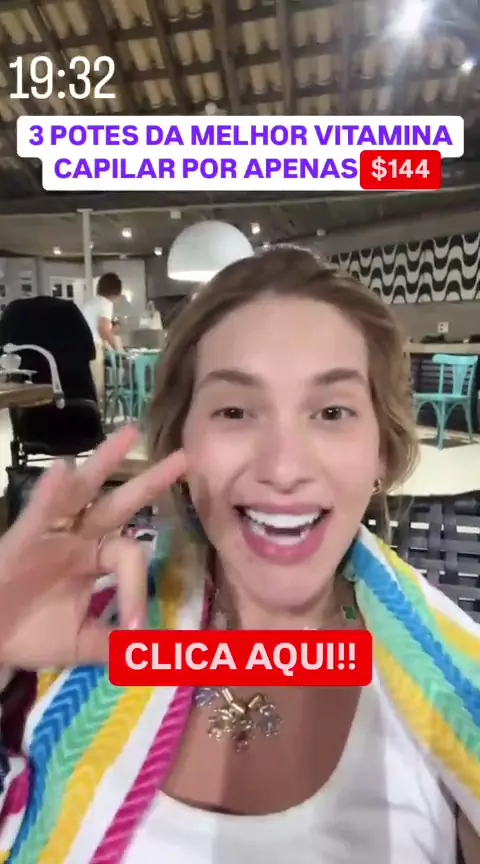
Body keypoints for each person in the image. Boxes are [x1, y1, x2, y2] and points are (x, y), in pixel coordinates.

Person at [0, 247, 479, 863]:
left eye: (332, 412)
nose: (283, 468)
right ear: (179, 440)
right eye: (234, 411)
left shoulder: (457, 692)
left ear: (380, 453)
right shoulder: (63, 637)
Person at [82, 273, 123, 398]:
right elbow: (103, 330)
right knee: (97, 388)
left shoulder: (90, 302)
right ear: (116, 292)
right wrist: (118, 349)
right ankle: (97, 409)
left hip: (82, 347)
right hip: (94, 349)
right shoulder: (106, 304)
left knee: (87, 386)